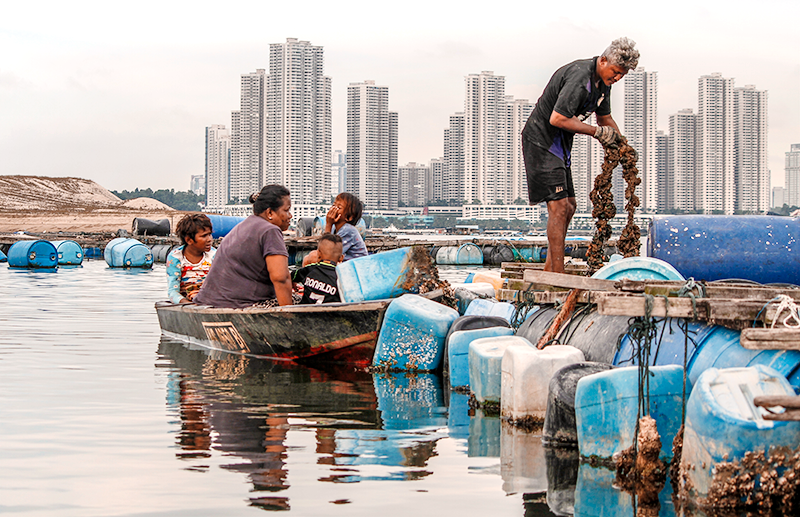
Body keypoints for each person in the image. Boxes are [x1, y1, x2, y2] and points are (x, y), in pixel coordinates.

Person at [522, 37, 639, 273]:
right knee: (559, 207)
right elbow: (558, 118)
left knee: (571, 206)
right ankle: (557, 275)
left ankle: (549, 270)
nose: (616, 78)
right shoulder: (579, 78)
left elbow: (604, 119)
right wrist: (597, 133)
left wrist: (622, 144)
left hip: (560, 145)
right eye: (615, 72)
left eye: (621, 76)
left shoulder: (603, 84)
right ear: (603, 60)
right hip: (541, 142)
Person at [194, 185, 293, 308]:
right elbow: (280, 278)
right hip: (242, 305)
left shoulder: (243, 226)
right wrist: (290, 316)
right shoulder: (270, 230)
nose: (290, 216)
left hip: (209, 301)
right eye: (286, 210)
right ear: (270, 213)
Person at [303, 192, 368, 265]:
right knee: (307, 258)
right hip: (344, 264)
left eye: (339, 208)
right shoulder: (335, 228)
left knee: (313, 257)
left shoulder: (348, 230)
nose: (334, 209)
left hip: (355, 267)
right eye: (333, 205)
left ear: (349, 217)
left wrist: (328, 224)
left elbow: (327, 253)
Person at [166, 213, 215, 304]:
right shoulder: (176, 257)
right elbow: (173, 292)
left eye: (210, 234)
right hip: (187, 301)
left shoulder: (214, 255)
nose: (209, 239)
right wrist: (188, 304)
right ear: (189, 240)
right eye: (204, 236)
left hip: (210, 299)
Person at [292, 233, 343, 304]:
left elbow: (290, 276)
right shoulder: (341, 278)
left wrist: (292, 282)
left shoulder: (310, 269)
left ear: (318, 254)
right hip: (328, 314)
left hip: (304, 312)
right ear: (341, 258)